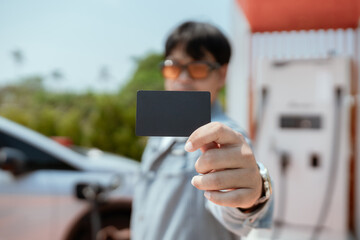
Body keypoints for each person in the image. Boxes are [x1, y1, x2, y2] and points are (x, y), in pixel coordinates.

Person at [98, 20, 273, 240]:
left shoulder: (227, 137)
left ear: (221, 74)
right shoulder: (159, 131)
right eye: (173, 66)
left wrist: (251, 195)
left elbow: (234, 205)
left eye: (198, 67)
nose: (183, 77)